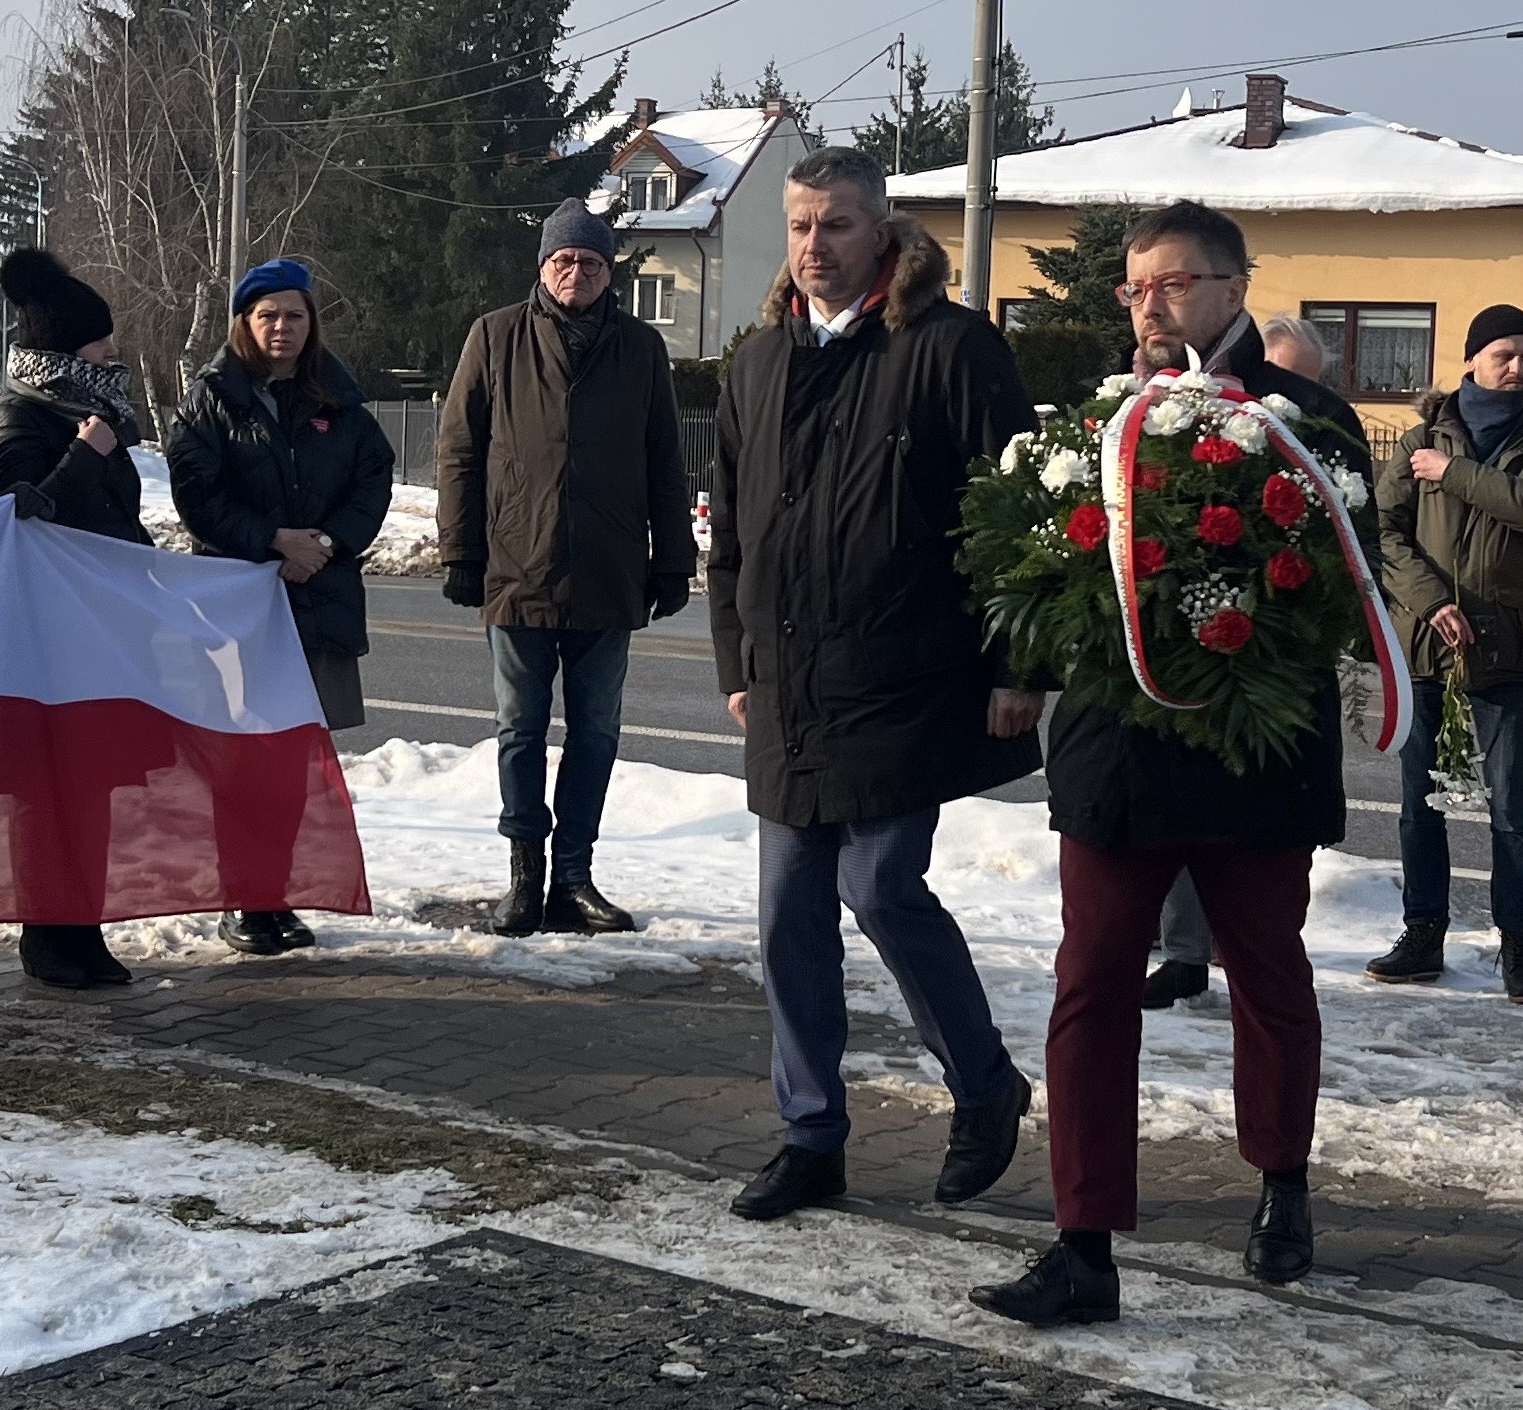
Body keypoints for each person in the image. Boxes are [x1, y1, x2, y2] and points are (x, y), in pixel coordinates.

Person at [973, 202, 1373, 1325]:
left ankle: (1280, 1185)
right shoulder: (1092, 426)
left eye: (1172, 282)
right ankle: (1082, 1240)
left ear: (1234, 287)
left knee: (1268, 979)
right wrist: (1024, 666)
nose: (1147, 303)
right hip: (1116, 760)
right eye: (1133, 285)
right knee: (1089, 988)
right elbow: (1038, 562)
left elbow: (1345, 585)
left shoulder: (1310, 424)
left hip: (1255, 761)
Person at [710, 146, 1039, 1223]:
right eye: (800, 226)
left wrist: (1014, 665)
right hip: (787, 686)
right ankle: (811, 1135)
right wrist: (734, 667)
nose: (813, 248)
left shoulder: (949, 350)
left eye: (836, 226)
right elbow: (730, 543)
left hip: (905, 677)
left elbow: (1015, 523)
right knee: (782, 920)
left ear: (884, 233)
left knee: (880, 888)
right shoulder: (757, 363)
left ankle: (983, 1084)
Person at [435, 197, 694, 937]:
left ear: (607, 270)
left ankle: (574, 878)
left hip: (610, 571)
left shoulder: (640, 348)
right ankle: (524, 876)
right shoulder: (494, 337)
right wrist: (460, 550)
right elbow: (457, 450)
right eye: (562, 259)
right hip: (517, 566)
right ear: (541, 267)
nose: (574, 271)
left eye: (588, 260)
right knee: (519, 731)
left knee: (596, 734)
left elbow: (664, 461)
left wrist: (672, 561)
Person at [168, 259, 396, 957]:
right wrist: (271, 541)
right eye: (267, 315)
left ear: (310, 323)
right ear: (244, 321)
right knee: (242, 759)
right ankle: (242, 897)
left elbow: (372, 483)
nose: (282, 328)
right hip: (239, 606)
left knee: (297, 758)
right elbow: (196, 495)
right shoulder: (210, 401)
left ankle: (277, 894)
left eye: (294, 315)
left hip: (318, 598)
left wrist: (325, 543)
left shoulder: (339, 400)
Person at [1367, 304, 1523, 1002]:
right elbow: (1384, 532)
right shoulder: (1421, 436)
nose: (1515, 369)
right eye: (1502, 356)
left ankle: (1517, 944)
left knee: (1510, 806)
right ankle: (1422, 931)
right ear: (1471, 361)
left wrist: (1452, 473)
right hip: (1427, 644)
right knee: (1417, 802)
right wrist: (1430, 600)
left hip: (1506, 649)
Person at [1143, 310, 1330, 1010]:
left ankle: (1232, 947)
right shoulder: (1181, 415)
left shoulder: (1314, 426)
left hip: (1272, 669)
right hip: (1187, 659)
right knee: (1183, 814)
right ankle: (1186, 952)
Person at [0, 245, 150, 989]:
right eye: (99, 345)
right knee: (47, 791)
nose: (112, 356)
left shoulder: (94, 415)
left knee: (95, 788)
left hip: (102, 634)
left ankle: (81, 925)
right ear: (64, 352)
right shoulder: (20, 418)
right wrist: (85, 457)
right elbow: (17, 514)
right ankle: (46, 934)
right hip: (45, 640)